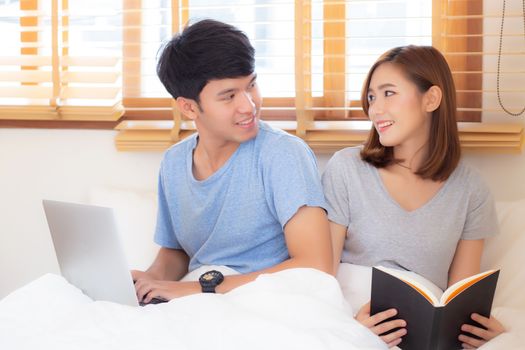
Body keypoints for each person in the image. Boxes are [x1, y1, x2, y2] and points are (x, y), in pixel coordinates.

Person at [131, 19, 332, 304]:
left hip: (266, 301)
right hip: (200, 301)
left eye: (251, 85)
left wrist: (198, 289)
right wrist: (149, 281)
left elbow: (316, 265)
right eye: (229, 96)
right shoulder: (174, 163)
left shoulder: (283, 154)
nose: (248, 105)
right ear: (188, 107)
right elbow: (177, 251)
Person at [321, 45, 505, 348]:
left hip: (417, 333)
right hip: (351, 320)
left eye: (388, 93)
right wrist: (349, 330)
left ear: (431, 99)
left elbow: (459, 296)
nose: (375, 109)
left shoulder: (471, 190)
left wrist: (480, 331)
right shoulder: (347, 168)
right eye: (371, 97)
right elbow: (321, 276)